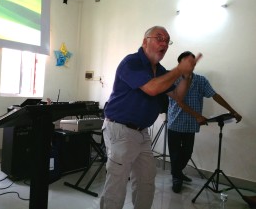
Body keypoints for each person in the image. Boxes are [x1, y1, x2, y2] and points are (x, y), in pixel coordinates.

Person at [99, 26, 201, 209]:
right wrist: (179, 69)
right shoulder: (131, 62)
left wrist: (186, 75)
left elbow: (178, 95)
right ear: (145, 41)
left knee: (146, 180)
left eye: (167, 40)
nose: (164, 43)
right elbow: (152, 88)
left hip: (142, 132)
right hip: (120, 129)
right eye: (159, 38)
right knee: (117, 183)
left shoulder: (161, 71)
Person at [167, 51, 242, 193]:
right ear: (180, 64)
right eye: (187, 62)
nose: (191, 65)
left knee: (187, 153)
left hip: (191, 124)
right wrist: (197, 116)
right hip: (175, 123)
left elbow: (215, 95)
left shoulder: (201, 80)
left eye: (193, 62)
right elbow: (180, 102)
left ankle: (178, 172)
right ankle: (176, 177)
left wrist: (232, 111)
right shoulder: (173, 80)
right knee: (175, 154)